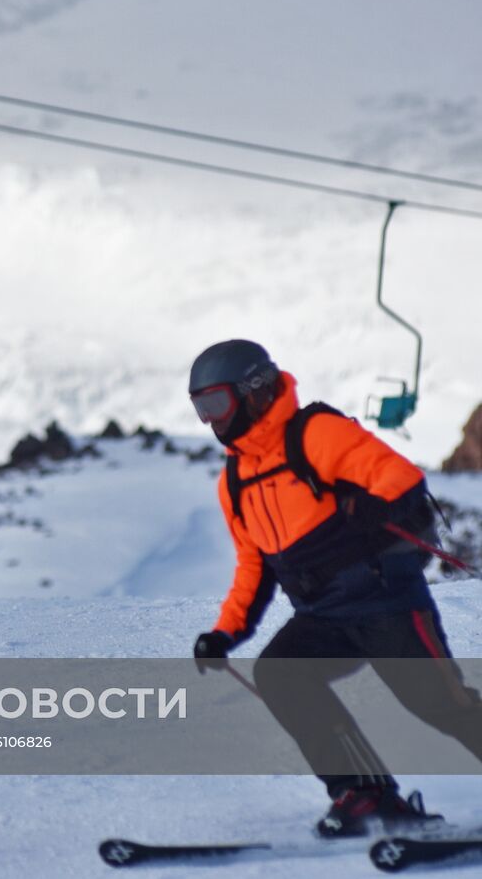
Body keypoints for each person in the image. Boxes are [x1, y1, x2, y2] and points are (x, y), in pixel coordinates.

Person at [187, 339, 482, 837]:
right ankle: (365, 794)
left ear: (254, 391)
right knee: (282, 674)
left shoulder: (316, 434)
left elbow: (399, 476)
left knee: (436, 702)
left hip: (385, 599)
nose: (210, 420)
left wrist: (376, 504)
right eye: (200, 409)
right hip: (323, 615)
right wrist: (224, 632)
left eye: (216, 404)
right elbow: (252, 566)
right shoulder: (236, 480)